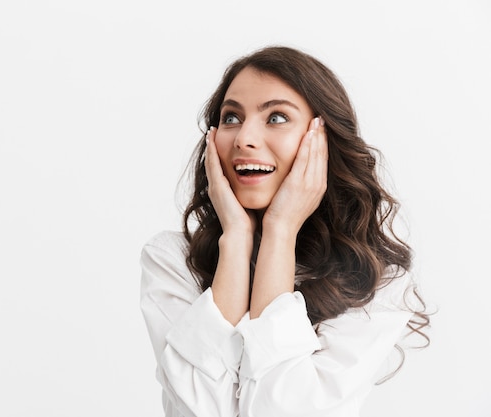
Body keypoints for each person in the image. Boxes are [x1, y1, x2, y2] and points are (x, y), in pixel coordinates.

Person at [140, 46, 429, 417]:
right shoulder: (172, 260)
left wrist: (280, 231)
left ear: (321, 140)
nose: (244, 138)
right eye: (231, 118)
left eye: (276, 117)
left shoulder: (377, 282)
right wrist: (236, 242)